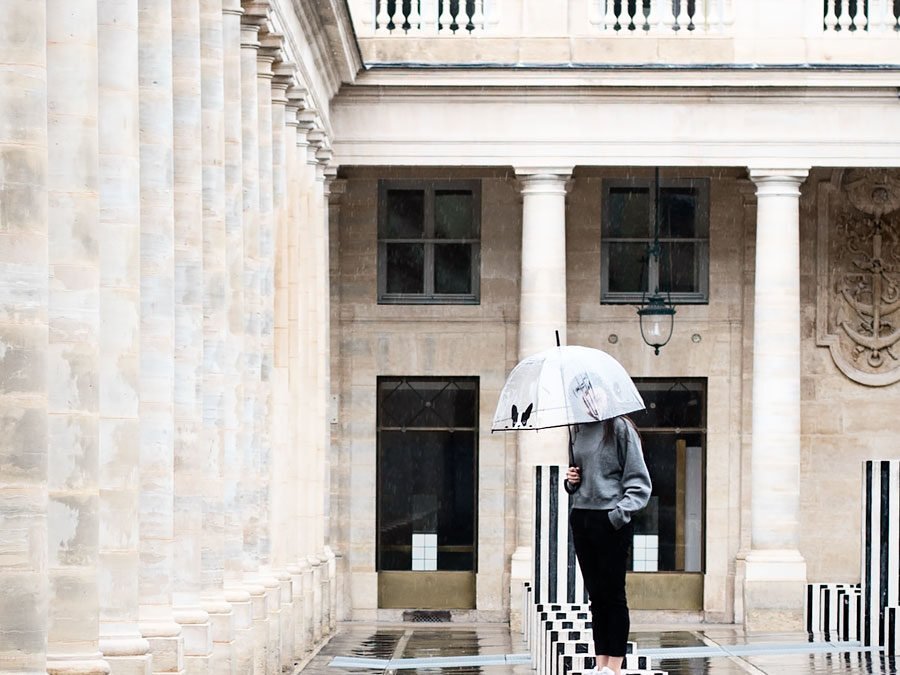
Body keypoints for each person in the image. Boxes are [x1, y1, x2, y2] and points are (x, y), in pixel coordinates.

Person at [564, 416, 652, 675]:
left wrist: (618, 514)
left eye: (588, 394)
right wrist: (572, 481)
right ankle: (600, 663)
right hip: (582, 516)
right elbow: (578, 477)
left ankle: (614, 667)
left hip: (610, 519)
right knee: (596, 597)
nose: (585, 398)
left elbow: (640, 482)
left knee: (613, 596)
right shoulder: (577, 428)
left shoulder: (620, 428)